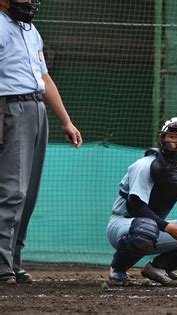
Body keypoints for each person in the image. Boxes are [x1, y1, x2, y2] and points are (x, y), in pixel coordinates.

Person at [0, 0, 83, 285]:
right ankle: (0, 263)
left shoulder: (31, 30)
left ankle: (13, 260)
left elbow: (44, 77)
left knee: (29, 193)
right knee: (12, 191)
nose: (30, 1)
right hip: (10, 108)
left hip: (36, 109)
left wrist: (66, 120)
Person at [106, 117, 177, 286]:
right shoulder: (144, 165)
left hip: (155, 228)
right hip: (122, 225)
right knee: (146, 228)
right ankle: (118, 270)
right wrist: (169, 228)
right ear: (162, 139)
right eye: (173, 137)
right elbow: (136, 206)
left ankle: (160, 267)